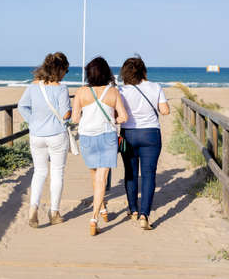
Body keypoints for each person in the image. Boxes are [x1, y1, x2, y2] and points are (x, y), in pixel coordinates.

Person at [72, 57, 128, 236]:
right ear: (106, 72)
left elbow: (74, 118)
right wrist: (113, 120)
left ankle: (102, 209)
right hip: (107, 137)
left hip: (87, 137)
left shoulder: (81, 92)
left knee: (94, 175)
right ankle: (94, 217)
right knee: (101, 179)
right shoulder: (112, 92)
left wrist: (87, 120)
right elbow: (124, 117)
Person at [18, 52, 71, 228]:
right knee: (57, 173)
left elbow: (22, 106)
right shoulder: (61, 88)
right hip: (56, 135)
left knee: (39, 172)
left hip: (36, 135)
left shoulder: (33, 87)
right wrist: (68, 116)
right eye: (66, 70)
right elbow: (65, 114)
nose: (66, 73)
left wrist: (32, 121)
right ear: (61, 69)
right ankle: (54, 212)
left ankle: (33, 208)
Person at [118, 56, 170, 230]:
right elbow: (165, 111)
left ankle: (133, 209)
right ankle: (144, 215)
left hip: (128, 135)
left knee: (130, 173)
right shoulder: (155, 87)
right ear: (143, 70)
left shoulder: (122, 90)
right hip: (151, 134)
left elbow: (116, 114)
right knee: (149, 175)